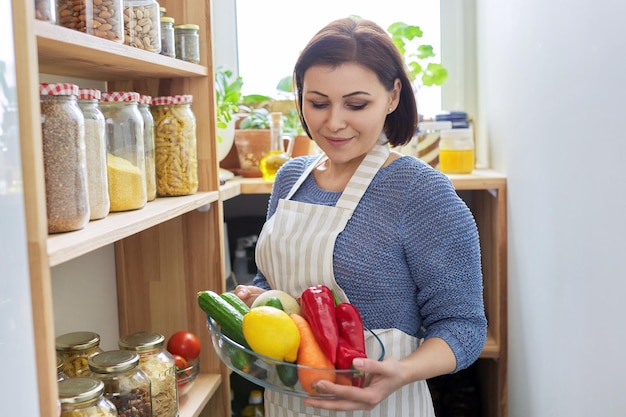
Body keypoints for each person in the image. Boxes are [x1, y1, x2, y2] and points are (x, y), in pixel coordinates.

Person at [235, 16, 487, 417]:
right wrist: (253, 297)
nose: (333, 123)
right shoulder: (290, 179)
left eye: (356, 104)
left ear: (392, 97)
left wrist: (401, 372)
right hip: (285, 404)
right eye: (317, 103)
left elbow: (464, 327)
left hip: (381, 406)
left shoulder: (420, 193)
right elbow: (275, 283)